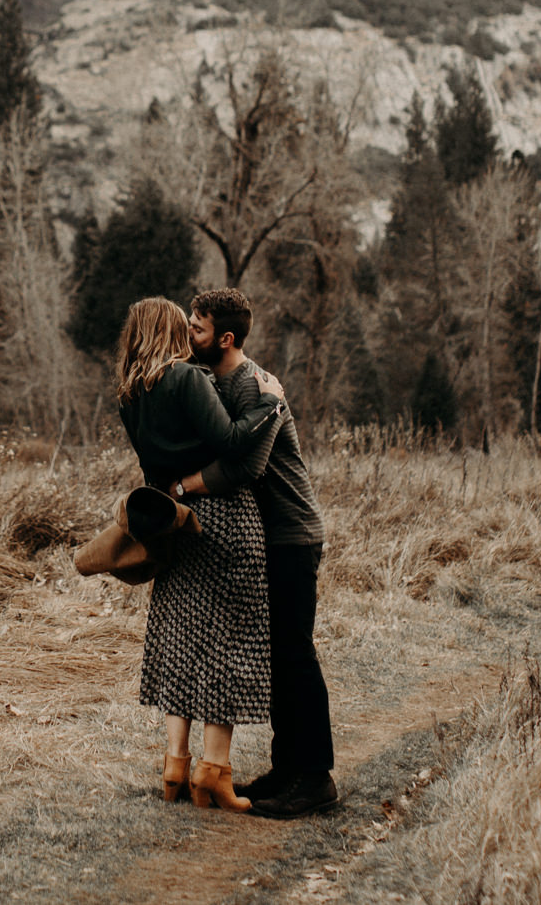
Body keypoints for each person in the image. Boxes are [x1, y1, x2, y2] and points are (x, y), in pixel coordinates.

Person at [171, 287, 337, 819]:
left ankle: (315, 778)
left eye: (195, 329)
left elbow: (247, 469)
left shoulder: (256, 386)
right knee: (277, 657)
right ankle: (286, 770)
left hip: (291, 534)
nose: (187, 335)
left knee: (294, 654)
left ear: (224, 337)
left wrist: (185, 486)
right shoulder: (211, 381)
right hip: (263, 539)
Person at [111, 296, 279, 813]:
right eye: (181, 323)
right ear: (168, 330)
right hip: (223, 518)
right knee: (232, 642)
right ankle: (214, 771)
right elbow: (231, 443)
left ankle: (174, 765)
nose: (190, 330)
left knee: (181, 639)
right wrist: (268, 404)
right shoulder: (187, 379)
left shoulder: (130, 393)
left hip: (173, 523)